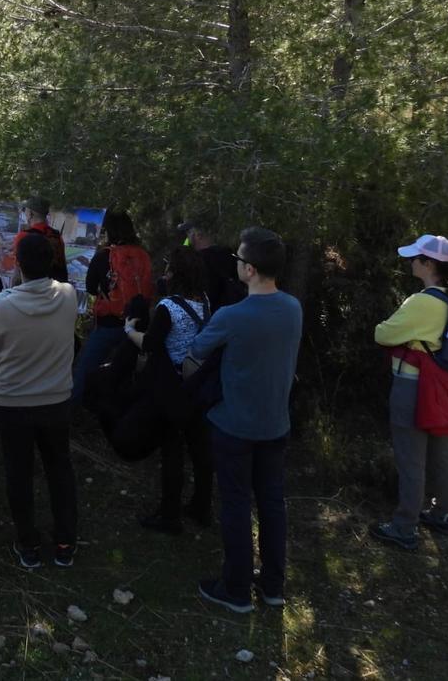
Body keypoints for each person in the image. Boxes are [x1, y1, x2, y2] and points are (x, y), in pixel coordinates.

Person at [189, 227, 301, 613]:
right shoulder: (293, 308)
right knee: (272, 502)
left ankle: (236, 589)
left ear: (250, 270)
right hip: (276, 423)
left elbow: (197, 350)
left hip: (234, 424)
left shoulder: (231, 316)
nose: (235, 264)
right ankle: (272, 585)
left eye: (238, 259)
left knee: (236, 503)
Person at [0, 233, 79, 568]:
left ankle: (28, 544)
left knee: (19, 474)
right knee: (60, 470)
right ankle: (65, 542)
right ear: (52, 262)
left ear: (17, 264)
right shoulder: (68, 295)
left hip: (13, 403)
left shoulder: (3, 306)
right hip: (57, 400)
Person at [370, 234, 448, 550]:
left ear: (428, 264)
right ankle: (443, 513)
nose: (411, 262)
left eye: (415, 258)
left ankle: (404, 526)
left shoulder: (421, 302)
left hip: (412, 387)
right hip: (444, 386)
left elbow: (383, 333)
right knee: (441, 449)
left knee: (410, 456)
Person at [123, 245, 213, 533]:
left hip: (173, 384)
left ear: (176, 274)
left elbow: (149, 344)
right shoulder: (205, 302)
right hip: (198, 383)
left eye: (169, 268)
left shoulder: (168, 307)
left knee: (172, 449)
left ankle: (169, 514)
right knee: (200, 449)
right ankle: (201, 506)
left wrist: (129, 331)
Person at [74, 209, 155, 402]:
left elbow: (91, 288)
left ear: (108, 230)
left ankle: (71, 409)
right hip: (138, 325)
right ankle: (122, 405)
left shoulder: (104, 256)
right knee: (126, 369)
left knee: (85, 368)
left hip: (109, 323)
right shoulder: (143, 255)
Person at [179, 218, 244, 310]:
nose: (187, 238)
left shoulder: (197, 262)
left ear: (198, 235)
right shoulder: (230, 254)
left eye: (188, 233)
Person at [12, 196, 68, 283]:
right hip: (53, 289)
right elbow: (62, 265)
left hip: (30, 290)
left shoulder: (24, 236)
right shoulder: (56, 236)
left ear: (31, 214)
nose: (24, 213)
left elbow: (17, 271)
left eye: (25, 210)